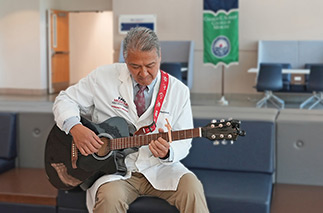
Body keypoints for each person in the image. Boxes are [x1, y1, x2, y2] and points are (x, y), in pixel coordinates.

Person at [53, 27, 209, 213]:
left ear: (160, 57)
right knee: (109, 199)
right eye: (135, 66)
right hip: (115, 172)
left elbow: (184, 141)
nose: (143, 73)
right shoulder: (102, 77)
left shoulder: (178, 91)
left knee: (192, 188)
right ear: (125, 60)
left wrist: (168, 152)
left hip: (159, 168)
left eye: (150, 65)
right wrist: (75, 127)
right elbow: (65, 100)